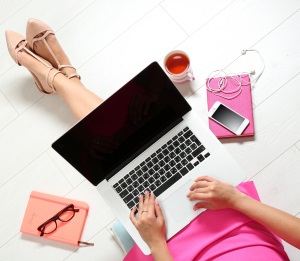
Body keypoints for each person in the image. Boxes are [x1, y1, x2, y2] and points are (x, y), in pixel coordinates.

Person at [5, 19, 299, 261]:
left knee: (120, 150)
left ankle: (55, 77)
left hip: (171, 252)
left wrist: (156, 243)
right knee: (152, 136)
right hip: (236, 218)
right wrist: (235, 199)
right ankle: (60, 77)